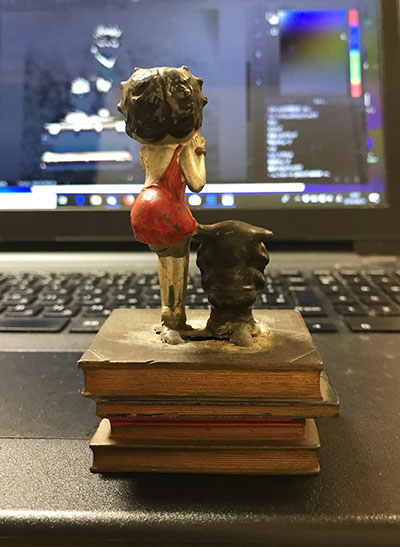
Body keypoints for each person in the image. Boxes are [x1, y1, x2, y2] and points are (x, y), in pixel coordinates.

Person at [117, 66, 207, 344]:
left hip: (144, 208)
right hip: (169, 209)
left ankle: (167, 316)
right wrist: (199, 152)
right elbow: (197, 182)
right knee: (177, 267)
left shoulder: (146, 149)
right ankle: (174, 320)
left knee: (163, 262)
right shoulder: (182, 148)